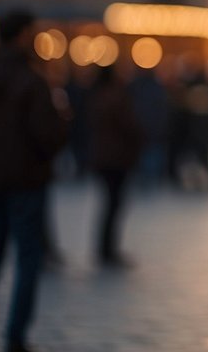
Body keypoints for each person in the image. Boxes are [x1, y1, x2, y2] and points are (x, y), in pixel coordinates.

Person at [0, 10, 69, 352]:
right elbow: (47, 136)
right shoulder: (31, 82)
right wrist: (62, 121)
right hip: (24, 181)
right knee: (27, 258)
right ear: (22, 35)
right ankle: (15, 337)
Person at [88, 64, 144, 267]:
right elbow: (130, 126)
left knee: (109, 203)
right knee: (114, 204)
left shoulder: (97, 97)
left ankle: (104, 247)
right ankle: (107, 249)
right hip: (117, 158)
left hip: (103, 157)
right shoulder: (117, 97)